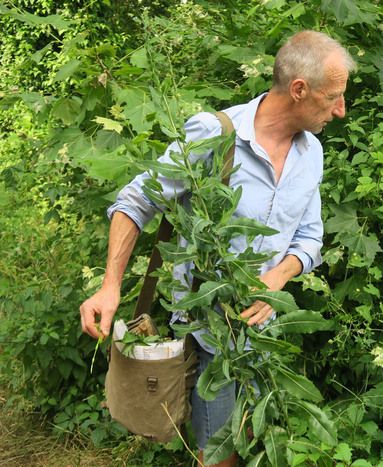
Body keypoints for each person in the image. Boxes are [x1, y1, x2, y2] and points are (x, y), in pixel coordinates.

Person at [79, 30, 355, 466]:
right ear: (299, 90)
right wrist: (110, 285)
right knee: (220, 454)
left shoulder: (312, 152)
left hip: (266, 337)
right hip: (211, 339)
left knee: (262, 445)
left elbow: (310, 238)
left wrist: (276, 278)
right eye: (333, 97)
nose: (340, 110)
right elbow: (137, 200)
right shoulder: (215, 134)